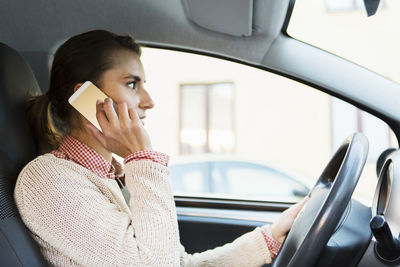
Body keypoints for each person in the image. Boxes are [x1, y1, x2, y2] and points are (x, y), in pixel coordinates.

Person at [14, 30, 308, 267]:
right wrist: (140, 157)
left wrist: (268, 240)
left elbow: (177, 263)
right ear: (86, 97)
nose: (148, 100)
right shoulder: (47, 180)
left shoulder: (108, 177)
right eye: (132, 84)